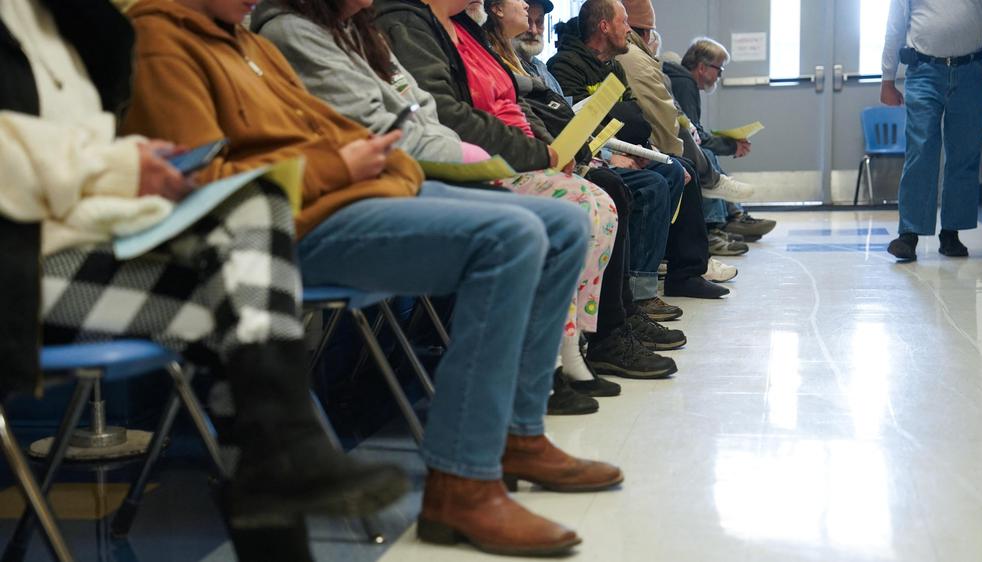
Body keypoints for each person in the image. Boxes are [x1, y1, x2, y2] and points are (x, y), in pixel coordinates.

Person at [121, 0, 625, 555]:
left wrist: (388, 169)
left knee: (562, 224)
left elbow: (364, 133)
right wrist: (350, 168)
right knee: (511, 238)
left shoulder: (247, 42)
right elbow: (203, 185)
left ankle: (518, 434)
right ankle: (462, 481)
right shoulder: (164, 41)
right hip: (281, 229)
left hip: (341, 194)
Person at [0, 1, 410, 559]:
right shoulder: (133, 30)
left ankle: (280, 460)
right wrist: (122, 166)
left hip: (81, 244)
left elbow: (71, 149)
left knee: (255, 218)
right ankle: (285, 465)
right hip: (19, 274)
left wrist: (133, 163)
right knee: (239, 313)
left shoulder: (73, 22)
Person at [373, 0, 682, 381]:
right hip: (461, 169)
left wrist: (555, 150)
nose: (531, 17)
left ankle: (578, 342)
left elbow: (516, 106)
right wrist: (542, 152)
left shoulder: (467, 32)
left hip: (505, 155)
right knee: (584, 203)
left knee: (605, 197)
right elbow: (446, 115)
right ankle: (554, 355)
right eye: (526, 11)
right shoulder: (412, 24)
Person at [548, 0, 729, 300]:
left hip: (627, 149)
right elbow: (580, 123)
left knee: (681, 168)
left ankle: (685, 273)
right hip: (596, 155)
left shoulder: (615, 67)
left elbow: (637, 121)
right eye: (624, 23)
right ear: (604, 27)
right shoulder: (565, 65)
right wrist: (615, 144)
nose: (629, 30)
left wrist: (638, 147)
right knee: (654, 183)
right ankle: (638, 290)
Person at [881, 0, 982, 261]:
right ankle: (909, 234)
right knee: (921, 150)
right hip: (923, 69)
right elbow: (895, 25)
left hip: (972, 70)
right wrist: (887, 77)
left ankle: (951, 233)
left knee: (964, 153)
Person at [665, 37, 777, 242]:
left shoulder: (682, 81)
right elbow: (694, 138)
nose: (720, 76)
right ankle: (714, 225)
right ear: (702, 67)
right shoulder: (685, 83)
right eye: (719, 69)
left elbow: (693, 131)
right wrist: (731, 146)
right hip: (674, 148)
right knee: (706, 156)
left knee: (707, 155)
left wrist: (729, 144)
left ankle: (733, 215)